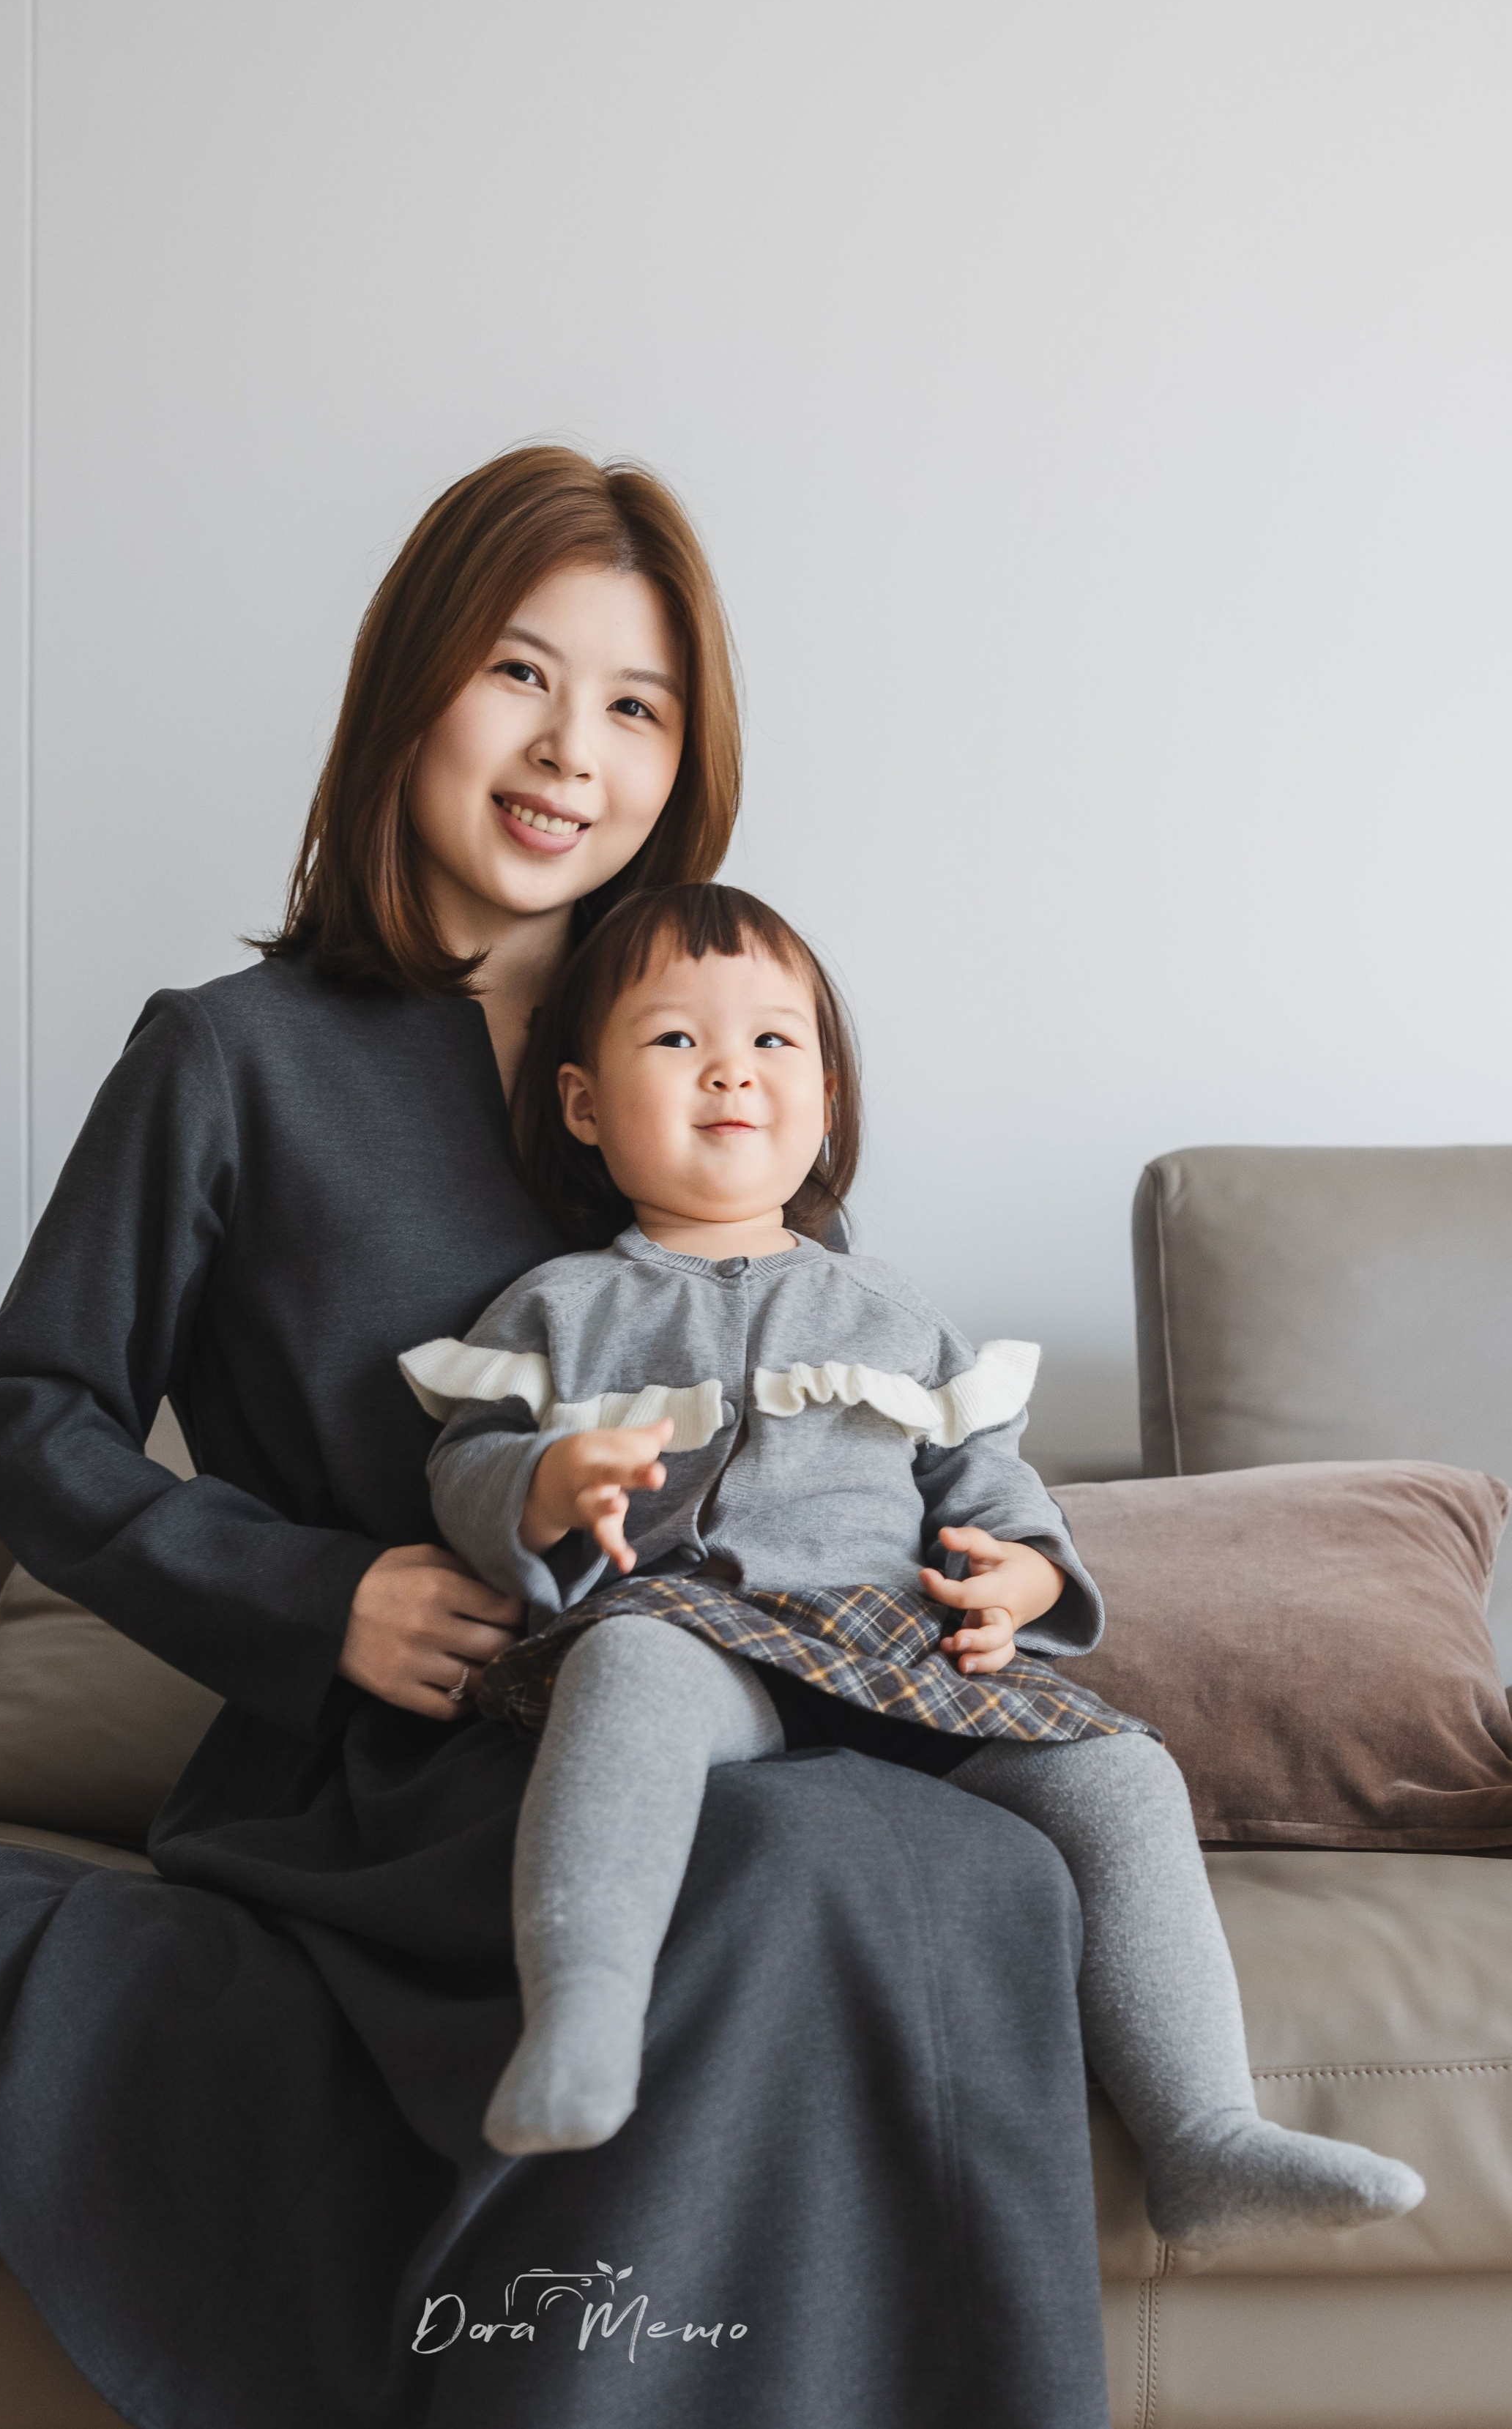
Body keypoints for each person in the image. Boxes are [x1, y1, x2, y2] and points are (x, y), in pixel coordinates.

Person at [0, 445, 1115, 2429]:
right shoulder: (229, 1060)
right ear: (413, 687)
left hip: (764, 1708)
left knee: (985, 1872)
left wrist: (979, 1572)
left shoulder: (717, 1035)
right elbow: (25, 1407)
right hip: (411, 1769)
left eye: (636, 706)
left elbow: (848, 1402)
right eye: (520, 675)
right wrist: (317, 1599)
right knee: (775, 1867)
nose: (571, 752)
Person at [398, 881, 1426, 2255]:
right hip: (698, 1634)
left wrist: (1026, 1580)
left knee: (1124, 1772)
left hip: (900, 1648)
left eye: (774, 1042)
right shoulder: (560, 1307)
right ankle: (583, 2022)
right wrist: (539, 1487)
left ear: (826, 1098)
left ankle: (1207, 2131)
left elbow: (989, 1483)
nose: (730, 1071)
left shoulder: (893, 1312)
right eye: (677, 1040)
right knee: (626, 1668)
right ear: (584, 1105)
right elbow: (462, 1462)